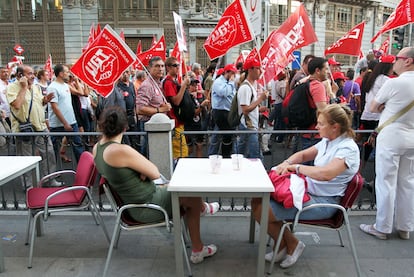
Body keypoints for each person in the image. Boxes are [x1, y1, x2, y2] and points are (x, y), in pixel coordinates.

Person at [93, 106, 219, 264]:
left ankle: (202, 211)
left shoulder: (97, 148)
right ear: (125, 127)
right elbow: (154, 172)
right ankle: (199, 242)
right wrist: (142, 171)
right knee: (190, 193)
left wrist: (137, 170)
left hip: (136, 202)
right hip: (146, 206)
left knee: (186, 190)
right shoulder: (120, 151)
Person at [252, 104, 360, 268]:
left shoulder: (348, 149)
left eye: (321, 123)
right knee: (258, 200)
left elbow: (326, 174)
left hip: (326, 202)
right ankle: (283, 245)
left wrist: (296, 168)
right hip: (308, 192)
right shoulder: (327, 141)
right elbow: (303, 154)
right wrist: (285, 163)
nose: (317, 127)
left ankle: (292, 244)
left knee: (262, 208)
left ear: (335, 127)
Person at [360, 47, 414, 240]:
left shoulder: (395, 83)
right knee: (407, 181)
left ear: (407, 61)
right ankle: (404, 227)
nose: (394, 63)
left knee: (386, 181)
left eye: (398, 58)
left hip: (392, 135)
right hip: (411, 136)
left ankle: (382, 227)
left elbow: (373, 107)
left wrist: (386, 106)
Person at [6, 65, 58, 187]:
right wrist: (24, 87)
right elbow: (17, 105)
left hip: (40, 127)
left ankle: (49, 180)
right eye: (29, 73)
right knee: (26, 159)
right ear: (20, 75)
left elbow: (39, 102)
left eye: (33, 73)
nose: (33, 76)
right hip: (23, 130)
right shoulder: (12, 88)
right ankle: (28, 185)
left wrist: (45, 100)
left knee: (49, 153)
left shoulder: (36, 87)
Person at [47, 64, 85, 163]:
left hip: (72, 121)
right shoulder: (52, 87)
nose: (69, 74)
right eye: (67, 72)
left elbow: (80, 93)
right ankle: (53, 171)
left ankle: (83, 170)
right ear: (60, 74)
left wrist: (76, 80)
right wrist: (65, 123)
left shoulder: (66, 85)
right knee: (53, 149)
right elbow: (54, 107)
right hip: (58, 124)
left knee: (78, 144)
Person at [136, 56, 171, 157]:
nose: (160, 69)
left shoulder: (158, 83)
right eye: (157, 66)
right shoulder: (147, 86)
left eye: (162, 66)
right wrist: (160, 109)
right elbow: (140, 109)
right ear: (150, 68)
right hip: (149, 126)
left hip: (158, 126)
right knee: (149, 155)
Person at [233, 57, 268, 159]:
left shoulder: (250, 86)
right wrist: (260, 99)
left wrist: (259, 108)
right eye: (257, 68)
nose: (260, 71)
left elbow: (249, 106)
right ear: (250, 70)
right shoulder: (245, 88)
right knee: (256, 156)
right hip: (248, 126)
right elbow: (245, 109)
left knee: (242, 153)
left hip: (250, 126)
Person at [208, 64, 237, 158]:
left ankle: (226, 154)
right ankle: (217, 155)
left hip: (229, 111)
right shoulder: (218, 82)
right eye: (232, 73)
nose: (233, 76)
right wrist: (232, 82)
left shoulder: (229, 83)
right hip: (220, 112)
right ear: (226, 72)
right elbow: (225, 93)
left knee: (226, 136)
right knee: (224, 135)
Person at [163, 56, 189, 160]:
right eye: (175, 65)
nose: (178, 67)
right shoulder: (168, 83)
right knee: (180, 153)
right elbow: (176, 101)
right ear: (168, 68)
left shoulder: (174, 81)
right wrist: (183, 86)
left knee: (183, 151)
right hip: (175, 122)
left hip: (179, 121)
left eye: (178, 65)